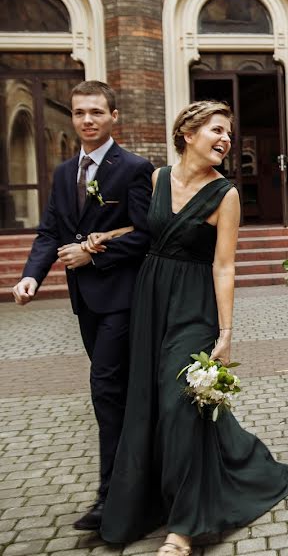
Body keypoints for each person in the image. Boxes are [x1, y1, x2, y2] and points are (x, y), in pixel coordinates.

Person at [97, 101, 288, 555]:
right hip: (150, 301)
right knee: (148, 403)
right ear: (187, 133)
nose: (225, 139)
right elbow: (145, 231)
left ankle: (184, 529)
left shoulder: (225, 195)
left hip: (194, 307)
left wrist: (226, 334)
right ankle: (141, 505)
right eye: (217, 130)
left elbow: (224, 266)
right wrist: (105, 238)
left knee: (178, 405)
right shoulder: (156, 179)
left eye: (228, 133)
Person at [11, 81, 153, 530]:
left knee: (106, 391)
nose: (86, 120)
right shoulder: (62, 172)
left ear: (114, 116)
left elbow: (148, 233)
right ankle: (143, 483)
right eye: (78, 113)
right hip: (85, 303)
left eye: (95, 111)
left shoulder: (133, 168)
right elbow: (51, 231)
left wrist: (95, 252)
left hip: (122, 299)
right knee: (121, 394)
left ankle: (110, 498)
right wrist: (33, 274)